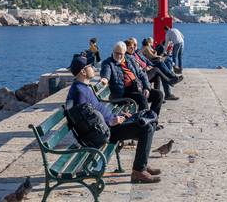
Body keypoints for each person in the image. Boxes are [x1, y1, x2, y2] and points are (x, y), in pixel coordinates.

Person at [66, 54, 161, 183]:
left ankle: (141, 163)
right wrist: (111, 122)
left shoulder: (84, 87)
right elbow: (86, 123)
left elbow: (95, 112)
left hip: (107, 126)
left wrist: (116, 117)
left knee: (147, 120)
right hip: (102, 133)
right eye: (90, 66)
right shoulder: (79, 92)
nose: (93, 68)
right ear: (83, 71)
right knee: (146, 128)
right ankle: (139, 170)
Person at [100, 42, 164, 120]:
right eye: (117, 53)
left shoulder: (129, 59)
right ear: (113, 51)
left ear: (124, 52)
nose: (119, 56)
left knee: (158, 95)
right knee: (142, 98)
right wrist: (105, 78)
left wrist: (146, 87)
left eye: (121, 54)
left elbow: (142, 74)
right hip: (123, 93)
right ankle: (144, 122)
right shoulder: (108, 63)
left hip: (137, 87)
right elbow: (106, 72)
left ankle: (153, 120)